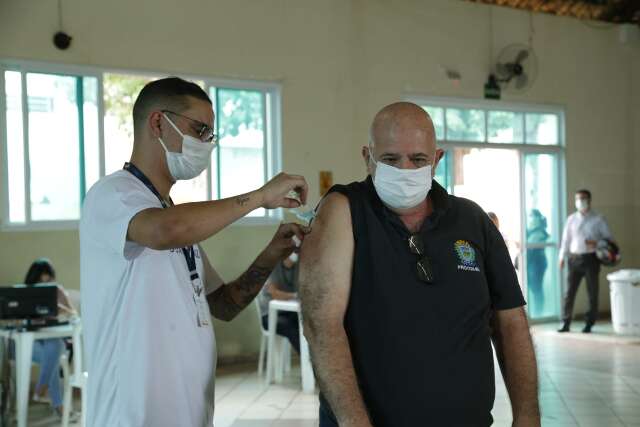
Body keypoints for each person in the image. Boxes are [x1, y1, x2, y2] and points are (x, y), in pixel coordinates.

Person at [79, 77, 309, 427]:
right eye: (199, 130)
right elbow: (163, 230)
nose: (206, 143)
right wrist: (260, 197)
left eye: (209, 135)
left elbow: (224, 304)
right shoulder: (114, 195)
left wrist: (271, 254)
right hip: (131, 414)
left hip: (189, 412)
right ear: (158, 122)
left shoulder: (170, 214)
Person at [299, 102, 540, 427]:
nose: (404, 170)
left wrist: (527, 416)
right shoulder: (343, 211)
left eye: (418, 159)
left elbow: (510, 320)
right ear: (367, 157)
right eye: (390, 159)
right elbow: (322, 325)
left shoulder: (472, 220)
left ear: (437, 159)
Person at [23, 259, 76, 417]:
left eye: (48, 280)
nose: (45, 284)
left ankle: (42, 388)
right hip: (32, 342)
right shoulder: (25, 293)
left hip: (54, 339)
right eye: (40, 281)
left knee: (55, 345)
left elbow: (73, 315)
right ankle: (58, 405)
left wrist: (58, 309)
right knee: (52, 355)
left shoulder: (58, 291)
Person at [558, 189, 613, 333]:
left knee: (592, 292)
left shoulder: (598, 218)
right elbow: (566, 239)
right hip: (574, 259)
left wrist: (597, 243)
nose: (580, 201)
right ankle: (566, 322)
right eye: (578, 199)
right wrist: (561, 257)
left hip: (591, 259)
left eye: (583, 198)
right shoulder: (571, 219)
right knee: (569, 292)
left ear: (589, 200)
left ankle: (589, 323)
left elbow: (609, 240)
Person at [258, 252, 300, 353]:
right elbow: (275, 294)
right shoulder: (273, 265)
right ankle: (308, 361)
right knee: (290, 327)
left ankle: (314, 361)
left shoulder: (299, 267)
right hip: (269, 315)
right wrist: (296, 295)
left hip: (291, 312)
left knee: (309, 323)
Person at [526, 209, 550, 317]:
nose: (531, 218)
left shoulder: (540, 232)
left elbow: (531, 246)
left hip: (537, 262)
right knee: (534, 288)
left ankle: (538, 313)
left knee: (537, 288)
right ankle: (536, 311)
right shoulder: (530, 231)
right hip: (532, 262)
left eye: (533, 216)